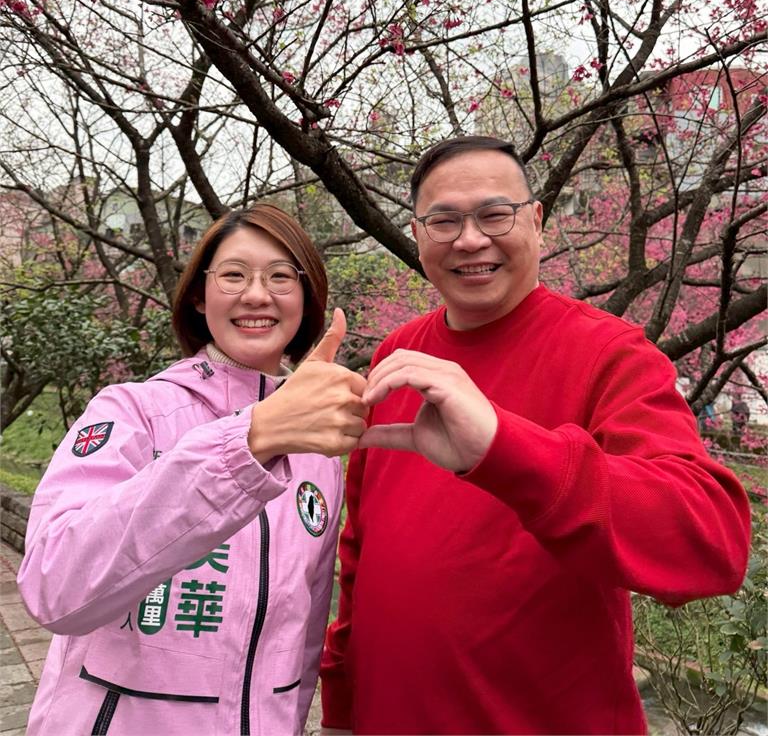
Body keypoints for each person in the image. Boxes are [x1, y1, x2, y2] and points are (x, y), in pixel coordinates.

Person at [320, 136, 751, 736]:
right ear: (418, 235)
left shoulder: (611, 354)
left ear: (538, 222)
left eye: (495, 215)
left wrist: (503, 446)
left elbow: (710, 542)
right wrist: (340, 702)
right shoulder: (400, 355)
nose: (470, 240)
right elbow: (360, 549)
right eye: (443, 221)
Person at [18, 203, 367, 736]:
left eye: (280, 277)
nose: (257, 295)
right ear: (200, 297)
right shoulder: (132, 412)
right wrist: (251, 439)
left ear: (306, 299)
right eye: (233, 275)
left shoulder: (319, 456)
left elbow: (302, 633)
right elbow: (53, 587)